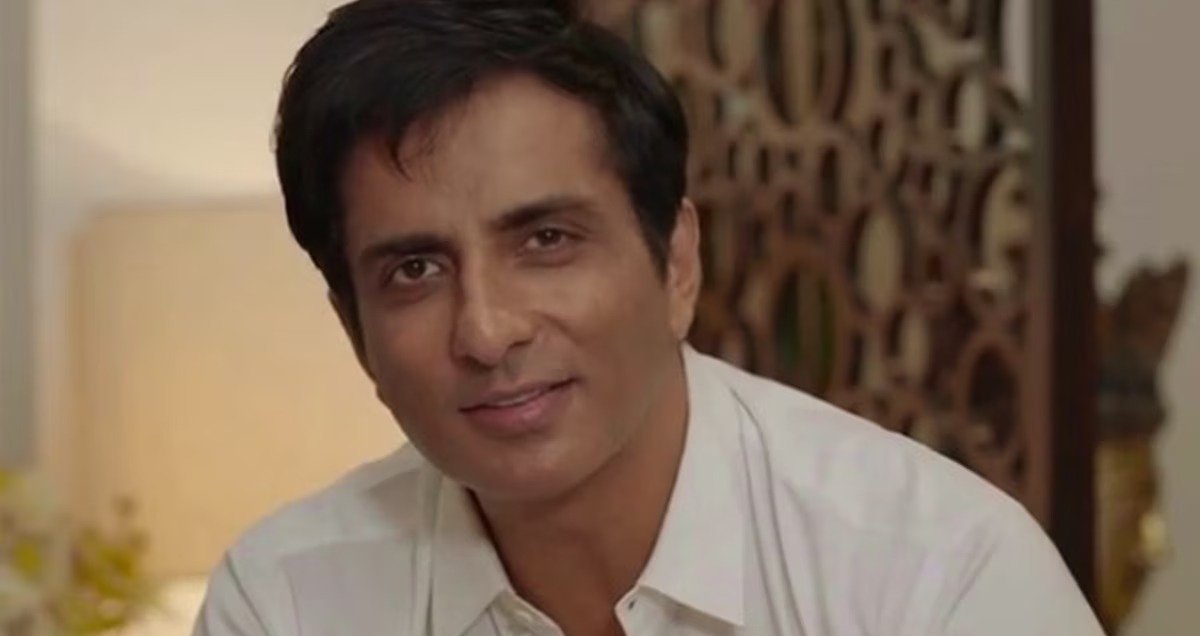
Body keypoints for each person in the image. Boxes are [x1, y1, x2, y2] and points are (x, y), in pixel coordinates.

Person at [193, 1, 1104, 634]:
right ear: (355, 333)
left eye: (546, 240)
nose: (488, 331)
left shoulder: (938, 577)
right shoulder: (288, 602)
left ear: (676, 263)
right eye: (415, 270)